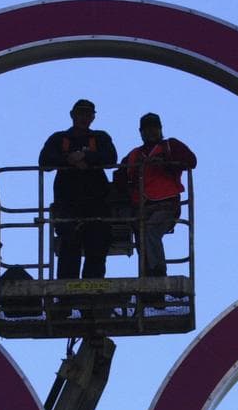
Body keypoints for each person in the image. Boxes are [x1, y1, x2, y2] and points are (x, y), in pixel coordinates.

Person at [38, 99, 117, 280]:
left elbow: (111, 157)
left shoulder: (100, 137)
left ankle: (93, 290)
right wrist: (68, 160)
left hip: (96, 204)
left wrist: (86, 157)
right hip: (67, 203)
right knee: (69, 245)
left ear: (93, 117)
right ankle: (66, 292)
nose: (84, 118)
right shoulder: (59, 138)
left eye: (88, 114)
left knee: (97, 245)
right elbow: (44, 161)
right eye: (80, 113)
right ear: (72, 115)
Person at [114, 112, 197, 278]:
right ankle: (147, 273)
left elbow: (191, 161)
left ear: (160, 129)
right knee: (142, 236)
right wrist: (127, 192)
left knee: (151, 230)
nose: (150, 132)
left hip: (166, 205)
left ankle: (157, 273)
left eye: (154, 128)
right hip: (141, 206)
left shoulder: (170, 146)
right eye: (146, 129)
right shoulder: (134, 155)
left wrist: (166, 163)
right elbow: (119, 176)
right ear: (141, 132)